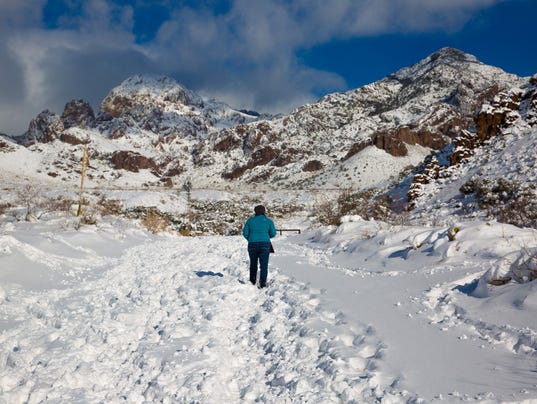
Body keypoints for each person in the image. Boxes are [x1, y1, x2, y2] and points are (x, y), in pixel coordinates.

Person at [242, 205, 277, 288]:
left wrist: (251, 239)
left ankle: (252, 282)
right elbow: (273, 233)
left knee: (253, 264)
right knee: (264, 265)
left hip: (252, 244)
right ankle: (263, 283)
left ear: (255, 212)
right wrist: (265, 237)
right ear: (264, 211)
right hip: (265, 244)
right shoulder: (269, 221)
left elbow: (245, 233)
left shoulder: (250, 221)